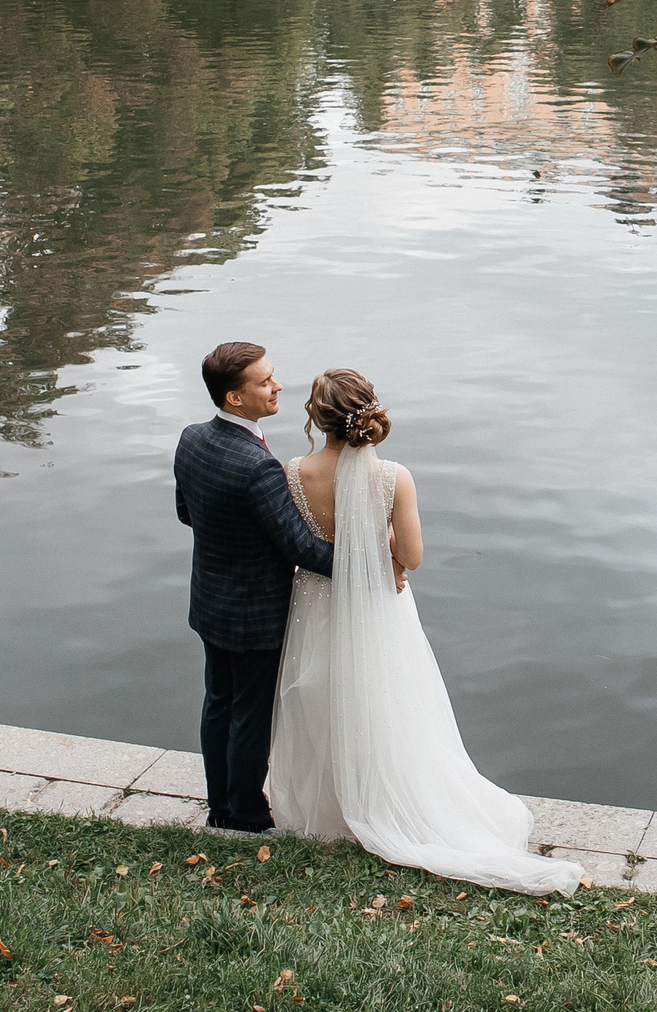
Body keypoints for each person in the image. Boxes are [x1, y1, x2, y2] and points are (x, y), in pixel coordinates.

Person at [265, 369, 587, 896]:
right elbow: (411, 557)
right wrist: (384, 537)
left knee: (318, 694)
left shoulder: (291, 473)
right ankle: (384, 799)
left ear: (315, 417)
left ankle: (324, 810)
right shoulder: (394, 477)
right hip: (378, 606)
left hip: (314, 602)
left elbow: (299, 543)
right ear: (369, 414)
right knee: (386, 700)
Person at [175, 342, 336, 833]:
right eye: (264, 382)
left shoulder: (192, 439)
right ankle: (243, 814)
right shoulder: (258, 467)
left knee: (218, 702)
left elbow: (187, 513)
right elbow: (302, 550)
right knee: (250, 714)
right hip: (255, 613)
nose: (277, 385)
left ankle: (220, 805)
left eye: (273, 375)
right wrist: (371, 561)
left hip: (209, 599)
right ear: (234, 398)